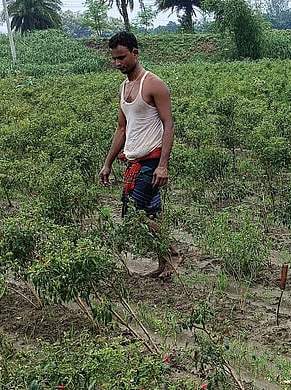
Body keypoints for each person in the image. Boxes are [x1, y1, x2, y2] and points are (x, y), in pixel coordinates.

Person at [99, 31, 180, 279]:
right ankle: (164, 264)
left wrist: (163, 165)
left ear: (135, 53)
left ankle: (173, 253)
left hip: (151, 159)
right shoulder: (124, 88)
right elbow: (121, 128)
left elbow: (169, 124)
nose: (117, 63)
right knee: (153, 212)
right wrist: (108, 163)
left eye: (121, 57)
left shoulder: (153, 84)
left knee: (134, 213)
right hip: (133, 160)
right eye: (114, 59)